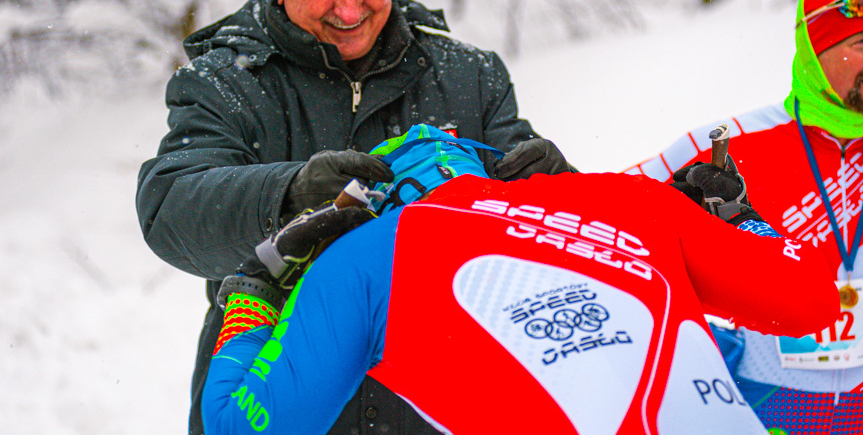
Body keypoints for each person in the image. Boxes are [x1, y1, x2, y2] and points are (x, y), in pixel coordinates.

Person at [136, 0, 571, 435]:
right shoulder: (225, 81)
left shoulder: (468, 74)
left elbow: (547, 240)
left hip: (437, 391)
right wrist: (287, 193)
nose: (350, 6)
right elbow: (170, 208)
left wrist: (558, 186)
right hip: (273, 389)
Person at [200, 124, 838, 435]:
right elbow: (809, 305)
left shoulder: (364, 255)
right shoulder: (630, 199)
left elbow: (243, 426)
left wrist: (255, 290)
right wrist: (739, 217)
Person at [625, 0, 863, 434]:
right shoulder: (731, 143)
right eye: (861, 47)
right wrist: (550, 178)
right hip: (767, 397)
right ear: (817, 54)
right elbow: (610, 207)